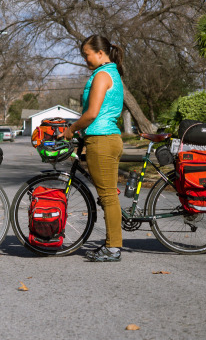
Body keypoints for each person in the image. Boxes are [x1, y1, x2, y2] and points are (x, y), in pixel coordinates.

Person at [63, 35, 124, 262]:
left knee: (108, 196)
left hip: (102, 139)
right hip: (107, 138)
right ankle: (112, 245)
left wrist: (72, 129)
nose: (85, 59)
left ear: (100, 53)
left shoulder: (101, 75)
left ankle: (113, 248)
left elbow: (91, 113)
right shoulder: (113, 72)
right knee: (109, 194)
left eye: (86, 55)